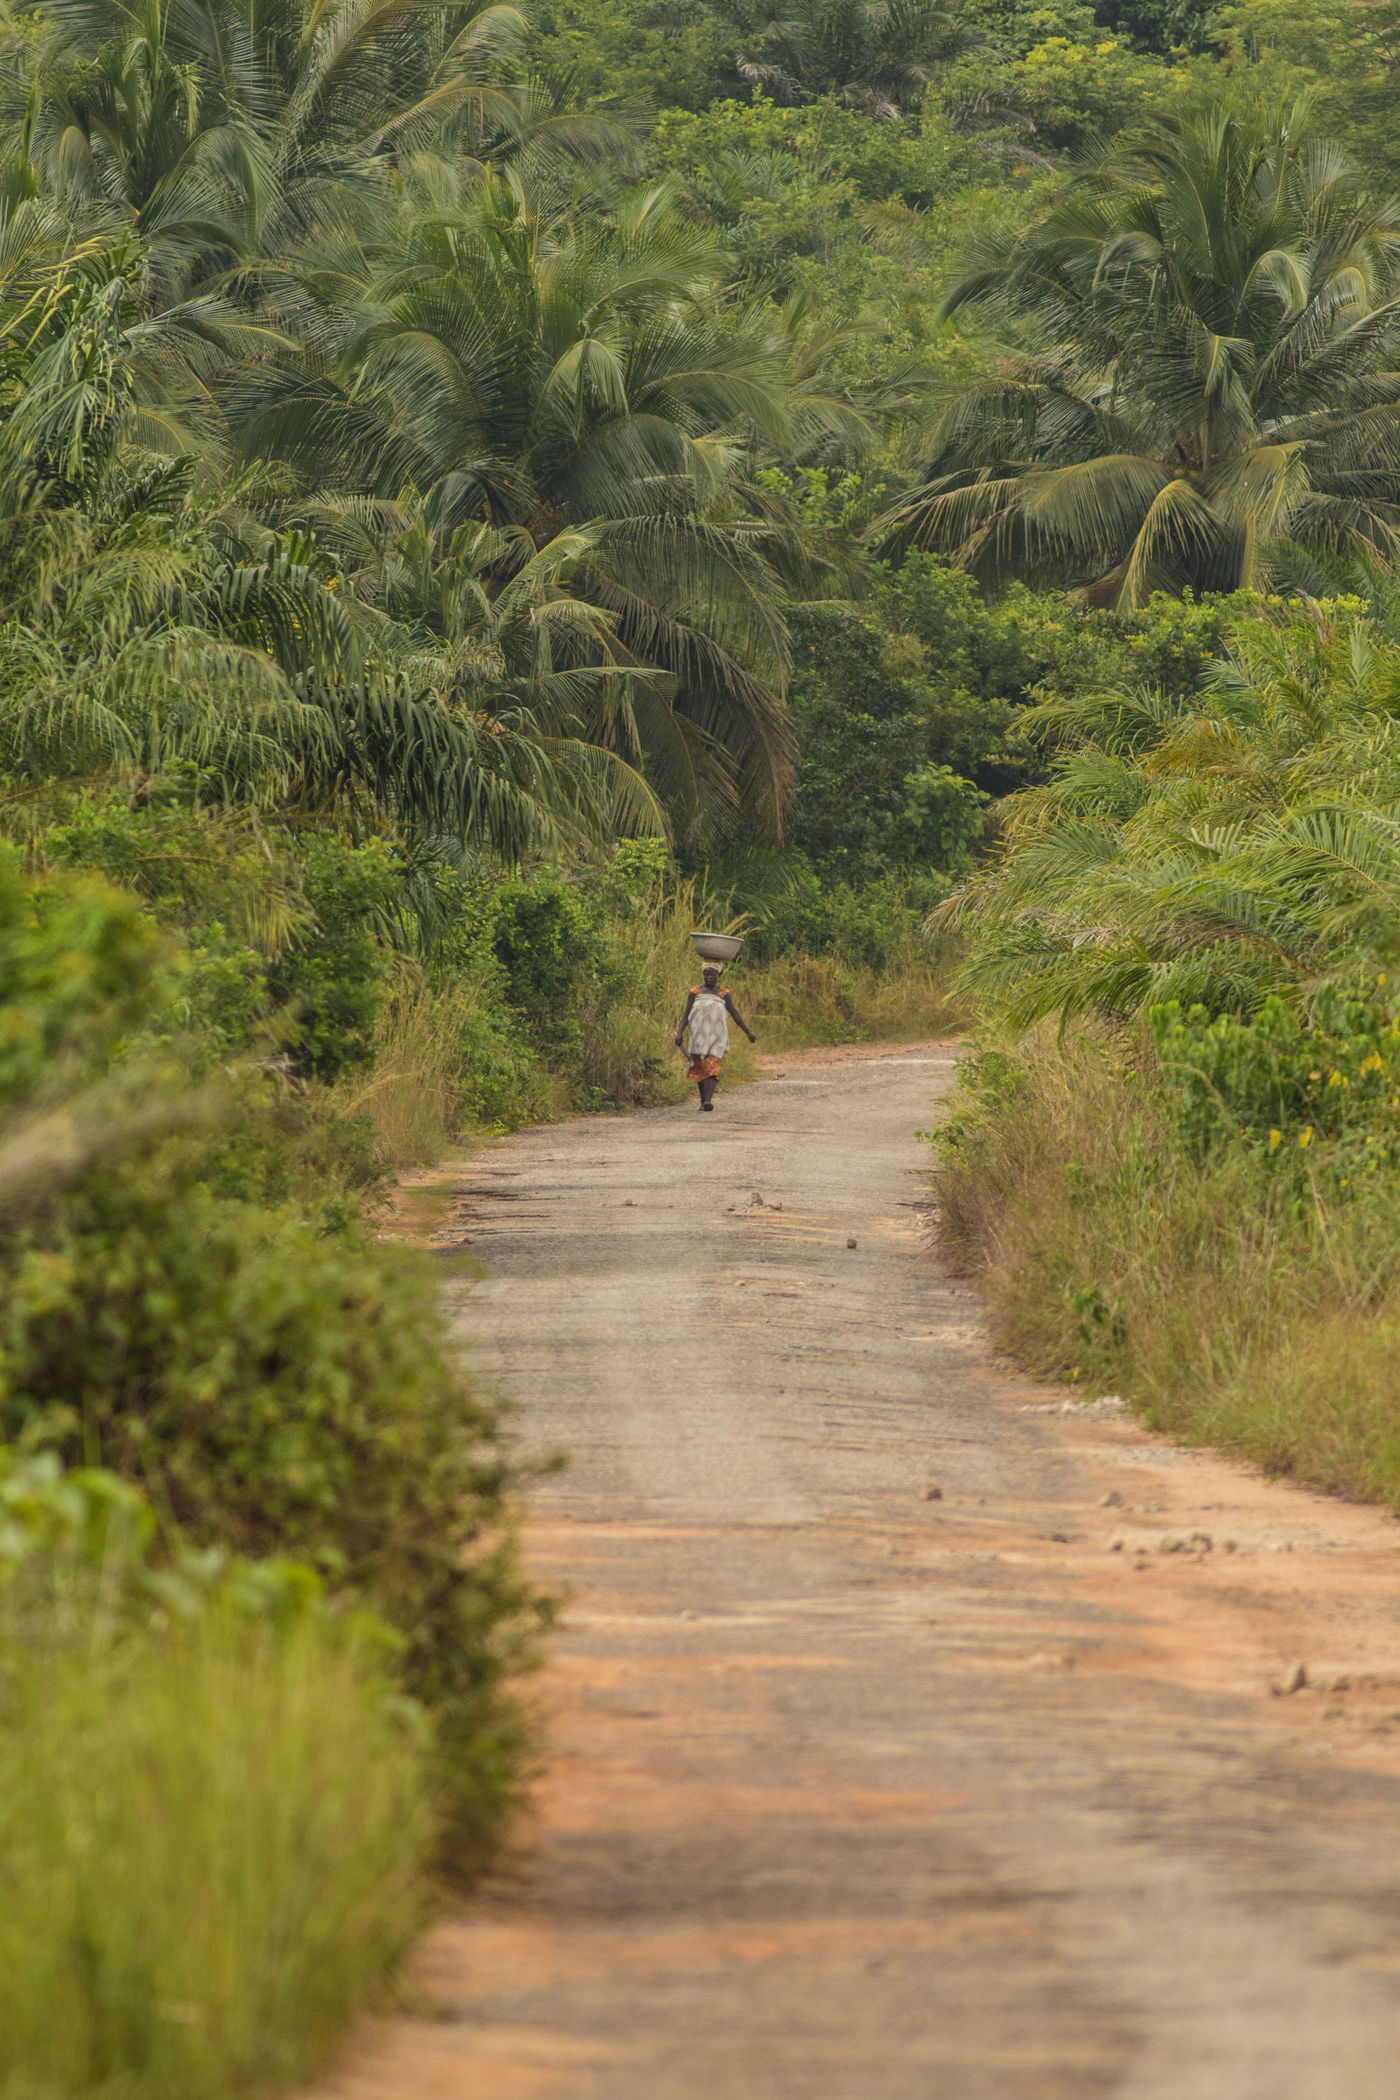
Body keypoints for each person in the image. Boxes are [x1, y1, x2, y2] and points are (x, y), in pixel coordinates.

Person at [674, 964, 756, 1111]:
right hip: (697, 1036)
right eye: (706, 974)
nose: (709, 977)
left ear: (718, 975)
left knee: (712, 1066)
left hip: (717, 1037)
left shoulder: (723, 993)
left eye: (712, 974)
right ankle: (702, 1100)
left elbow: (734, 1013)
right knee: (699, 1067)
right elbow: (687, 1014)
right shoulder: (695, 992)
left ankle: (707, 1100)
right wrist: (680, 1032)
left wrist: (748, 1032)